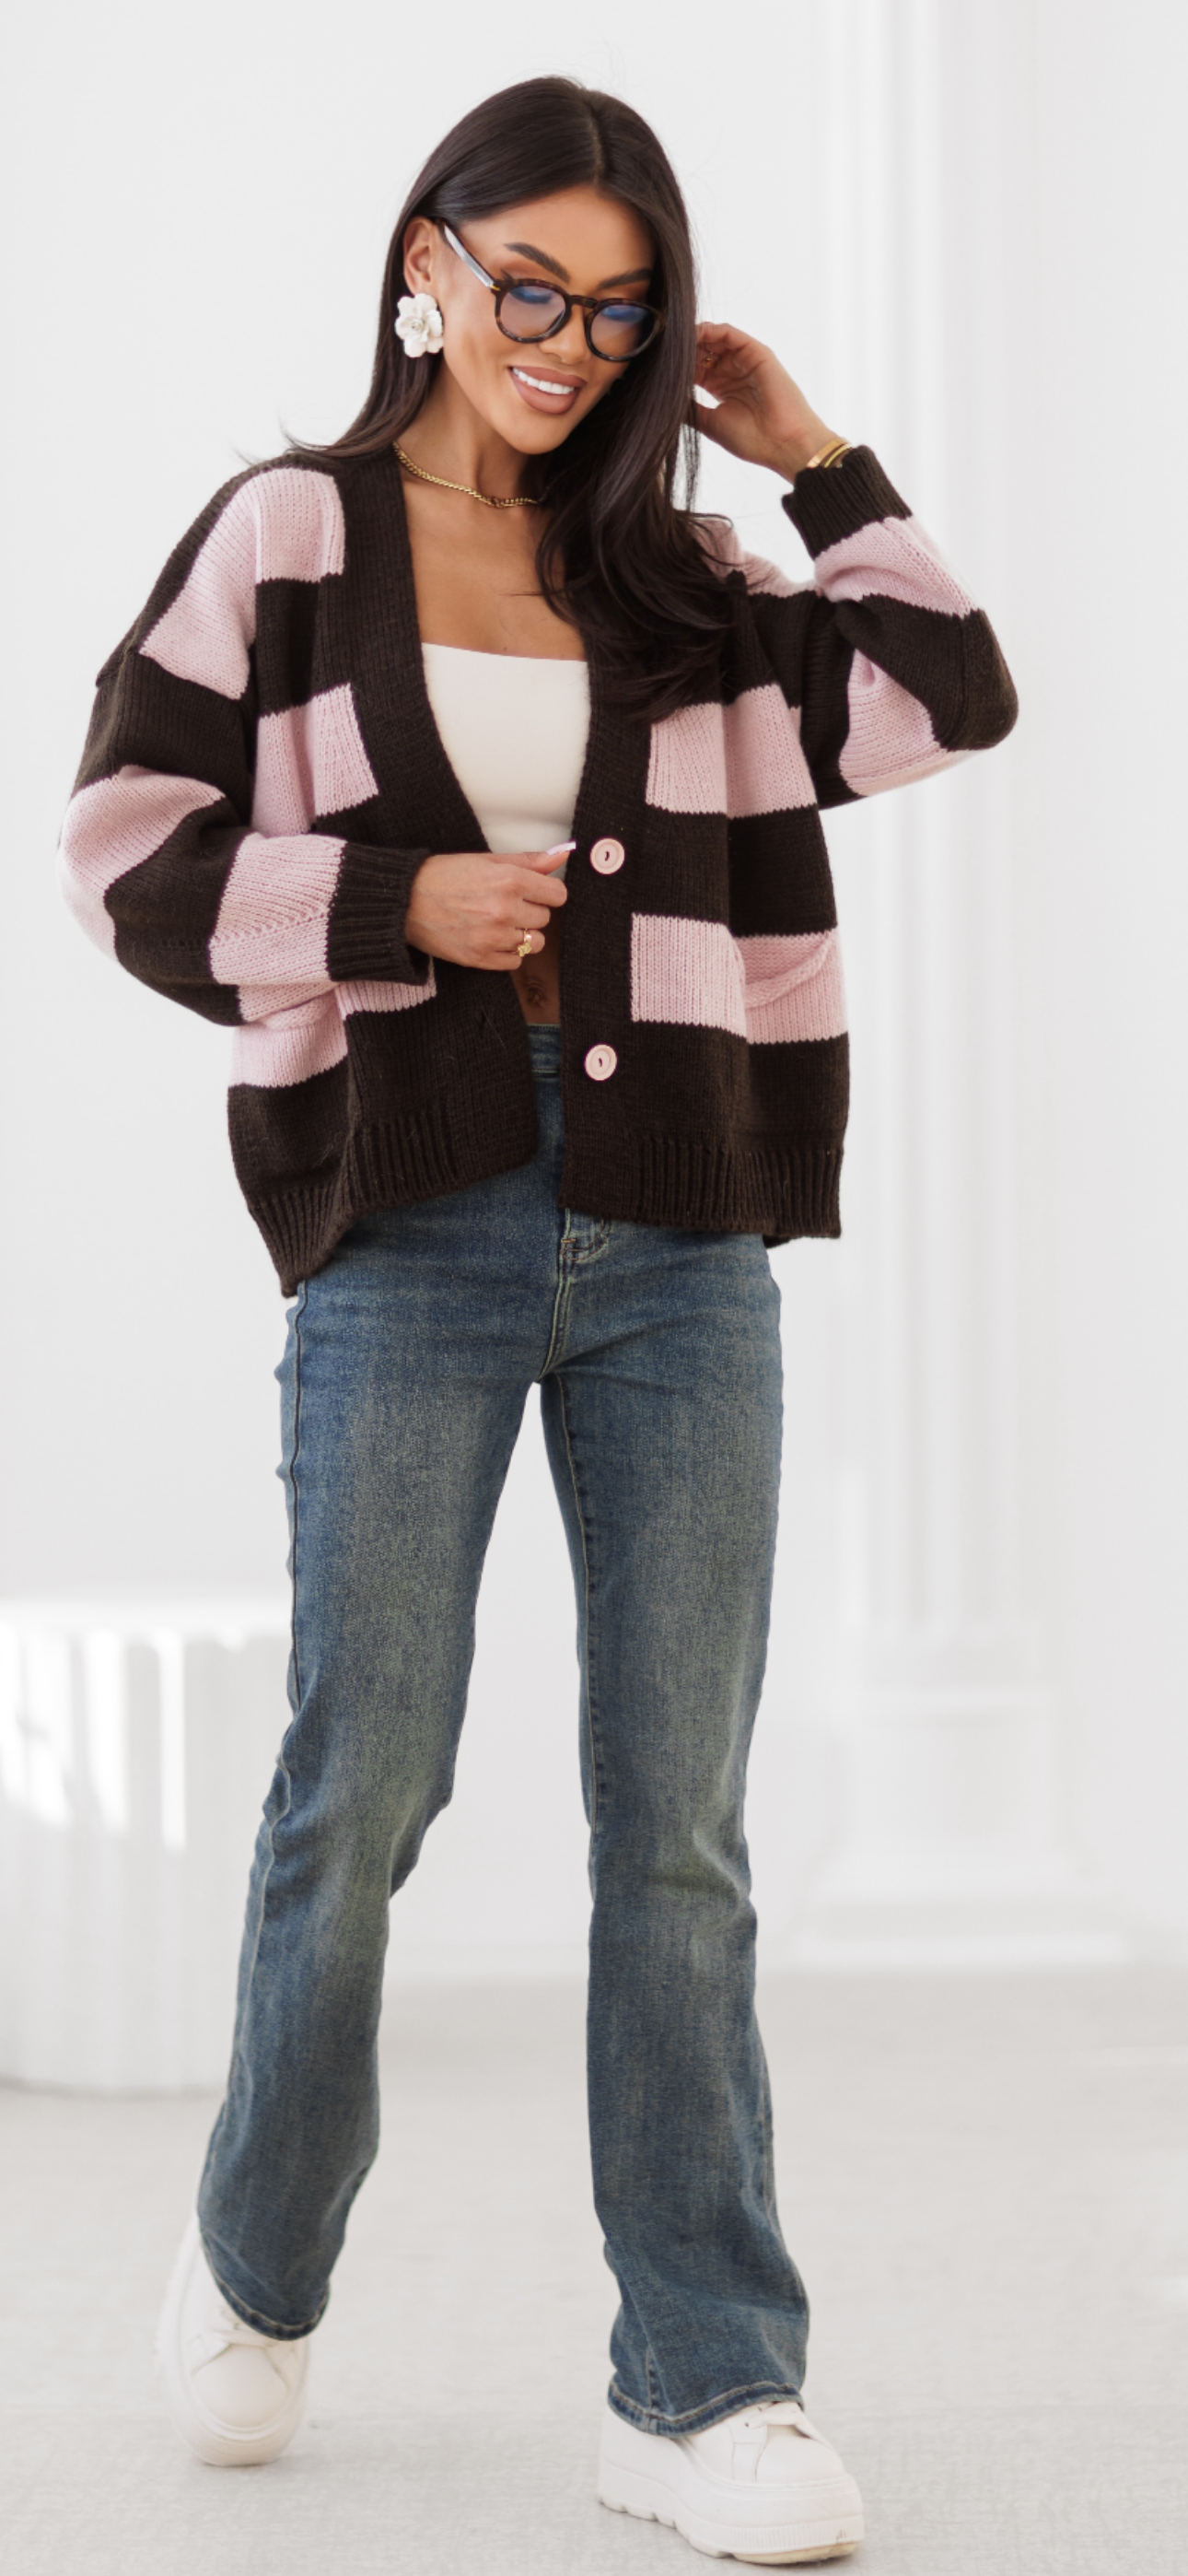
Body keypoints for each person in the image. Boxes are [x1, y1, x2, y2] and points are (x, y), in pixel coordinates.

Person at [60, 75, 1017, 2568]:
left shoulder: (678, 570)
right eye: (529, 287)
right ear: (426, 263)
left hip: (680, 1236)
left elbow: (945, 692)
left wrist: (813, 453)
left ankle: (703, 2380)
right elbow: (127, 846)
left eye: (619, 307)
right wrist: (396, 906)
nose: (570, 344)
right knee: (365, 1785)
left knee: (677, 1827)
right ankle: (257, 2257)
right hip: (415, 1225)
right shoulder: (288, 533)